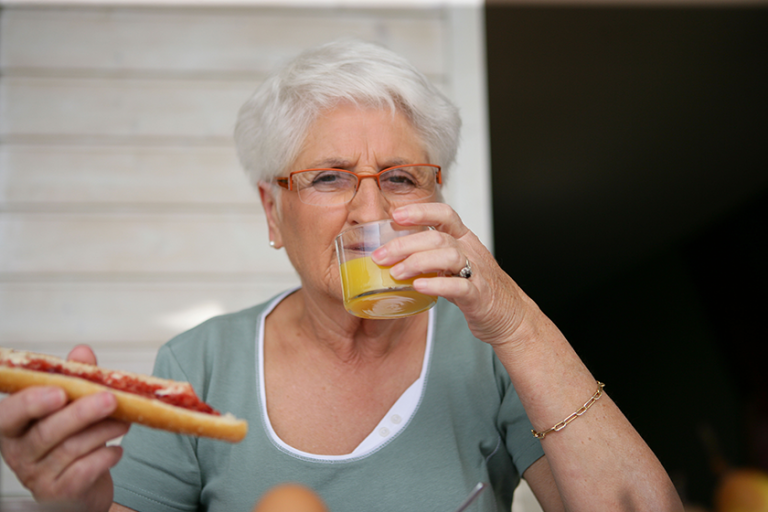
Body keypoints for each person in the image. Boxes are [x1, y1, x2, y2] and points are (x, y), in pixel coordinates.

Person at [0, 39, 684, 512]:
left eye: (400, 178)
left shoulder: (489, 351)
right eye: (328, 177)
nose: (371, 209)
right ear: (273, 210)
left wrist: (513, 317)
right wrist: (75, 505)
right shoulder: (199, 362)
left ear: (436, 199)